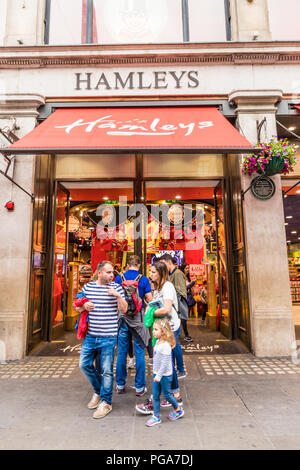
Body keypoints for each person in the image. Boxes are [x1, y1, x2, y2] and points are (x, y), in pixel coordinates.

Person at [78, 261, 128, 419]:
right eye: (108, 272)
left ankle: (106, 402)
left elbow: (124, 309)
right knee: (84, 365)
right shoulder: (88, 287)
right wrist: (84, 306)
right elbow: (77, 307)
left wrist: (118, 295)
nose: (111, 275)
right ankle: (99, 391)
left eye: (112, 272)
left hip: (109, 336)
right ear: (99, 272)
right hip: (91, 335)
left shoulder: (116, 287)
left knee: (106, 371)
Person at [136, 262, 183, 415]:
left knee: (164, 363)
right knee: (167, 363)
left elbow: (167, 308)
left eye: (154, 272)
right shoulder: (157, 288)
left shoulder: (167, 286)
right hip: (162, 328)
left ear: (162, 273)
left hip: (169, 328)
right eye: (150, 271)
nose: (151, 274)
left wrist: (149, 312)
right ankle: (175, 395)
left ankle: (159, 398)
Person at [114, 255, 153, 396]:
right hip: (138, 319)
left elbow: (115, 298)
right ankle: (140, 387)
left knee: (122, 353)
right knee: (140, 352)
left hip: (123, 318)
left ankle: (120, 385)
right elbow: (149, 299)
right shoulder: (143, 279)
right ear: (139, 265)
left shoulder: (119, 278)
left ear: (127, 264)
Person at [145, 319, 184, 427]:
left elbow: (165, 363)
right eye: (153, 329)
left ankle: (178, 410)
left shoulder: (166, 346)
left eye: (156, 329)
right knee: (156, 395)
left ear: (163, 332)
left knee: (167, 394)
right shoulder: (158, 342)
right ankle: (156, 416)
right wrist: (156, 373)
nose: (153, 331)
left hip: (165, 376)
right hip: (157, 374)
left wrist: (158, 375)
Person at [159, 254, 187, 378]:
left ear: (168, 262)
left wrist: (168, 291)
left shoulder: (178, 274)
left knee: (174, 343)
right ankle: (173, 369)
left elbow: (182, 292)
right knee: (171, 343)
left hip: (174, 314)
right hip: (168, 315)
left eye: (162, 263)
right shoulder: (169, 276)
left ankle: (181, 369)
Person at [180, 264, 195, 342]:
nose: (187, 270)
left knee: (184, 317)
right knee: (183, 318)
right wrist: (192, 283)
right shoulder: (181, 277)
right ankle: (186, 335)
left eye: (188, 268)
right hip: (182, 299)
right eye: (186, 268)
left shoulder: (187, 277)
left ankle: (183, 334)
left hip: (187, 298)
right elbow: (184, 288)